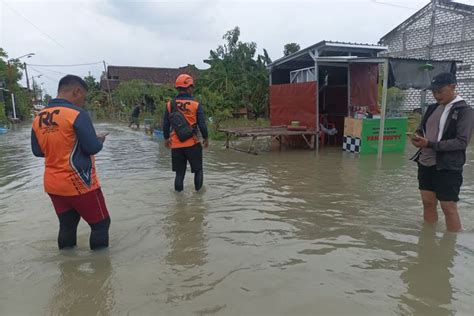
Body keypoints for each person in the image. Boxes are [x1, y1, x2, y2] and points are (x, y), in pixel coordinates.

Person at [31, 75, 111, 250]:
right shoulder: (77, 114)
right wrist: (99, 141)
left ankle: (68, 270)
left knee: (67, 226)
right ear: (77, 91)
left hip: (53, 184)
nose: (83, 101)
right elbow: (92, 147)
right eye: (84, 97)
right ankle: (101, 273)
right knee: (101, 225)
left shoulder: (39, 117)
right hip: (79, 183)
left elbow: (38, 151)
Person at [410, 72, 473, 232]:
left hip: (447, 165)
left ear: (453, 87)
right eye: (433, 92)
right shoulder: (431, 108)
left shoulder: (464, 111)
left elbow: (461, 142)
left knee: (448, 207)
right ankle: (428, 238)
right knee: (428, 203)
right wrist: (418, 138)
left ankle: (451, 244)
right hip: (425, 162)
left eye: (440, 91)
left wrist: (430, 144)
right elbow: (422, 129)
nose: (436, 95)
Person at [163, 74, 209, 192]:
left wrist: (166, 139)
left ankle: (179, 201)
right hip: (192, 143)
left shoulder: (169, 104)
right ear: (189, 87)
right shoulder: (196, 105)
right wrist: (206, 138)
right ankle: (199, 199)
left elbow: (166, 124)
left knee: (179, 174)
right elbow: (202, 125)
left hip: (176, 145)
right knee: (198, 170)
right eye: (192, 87)